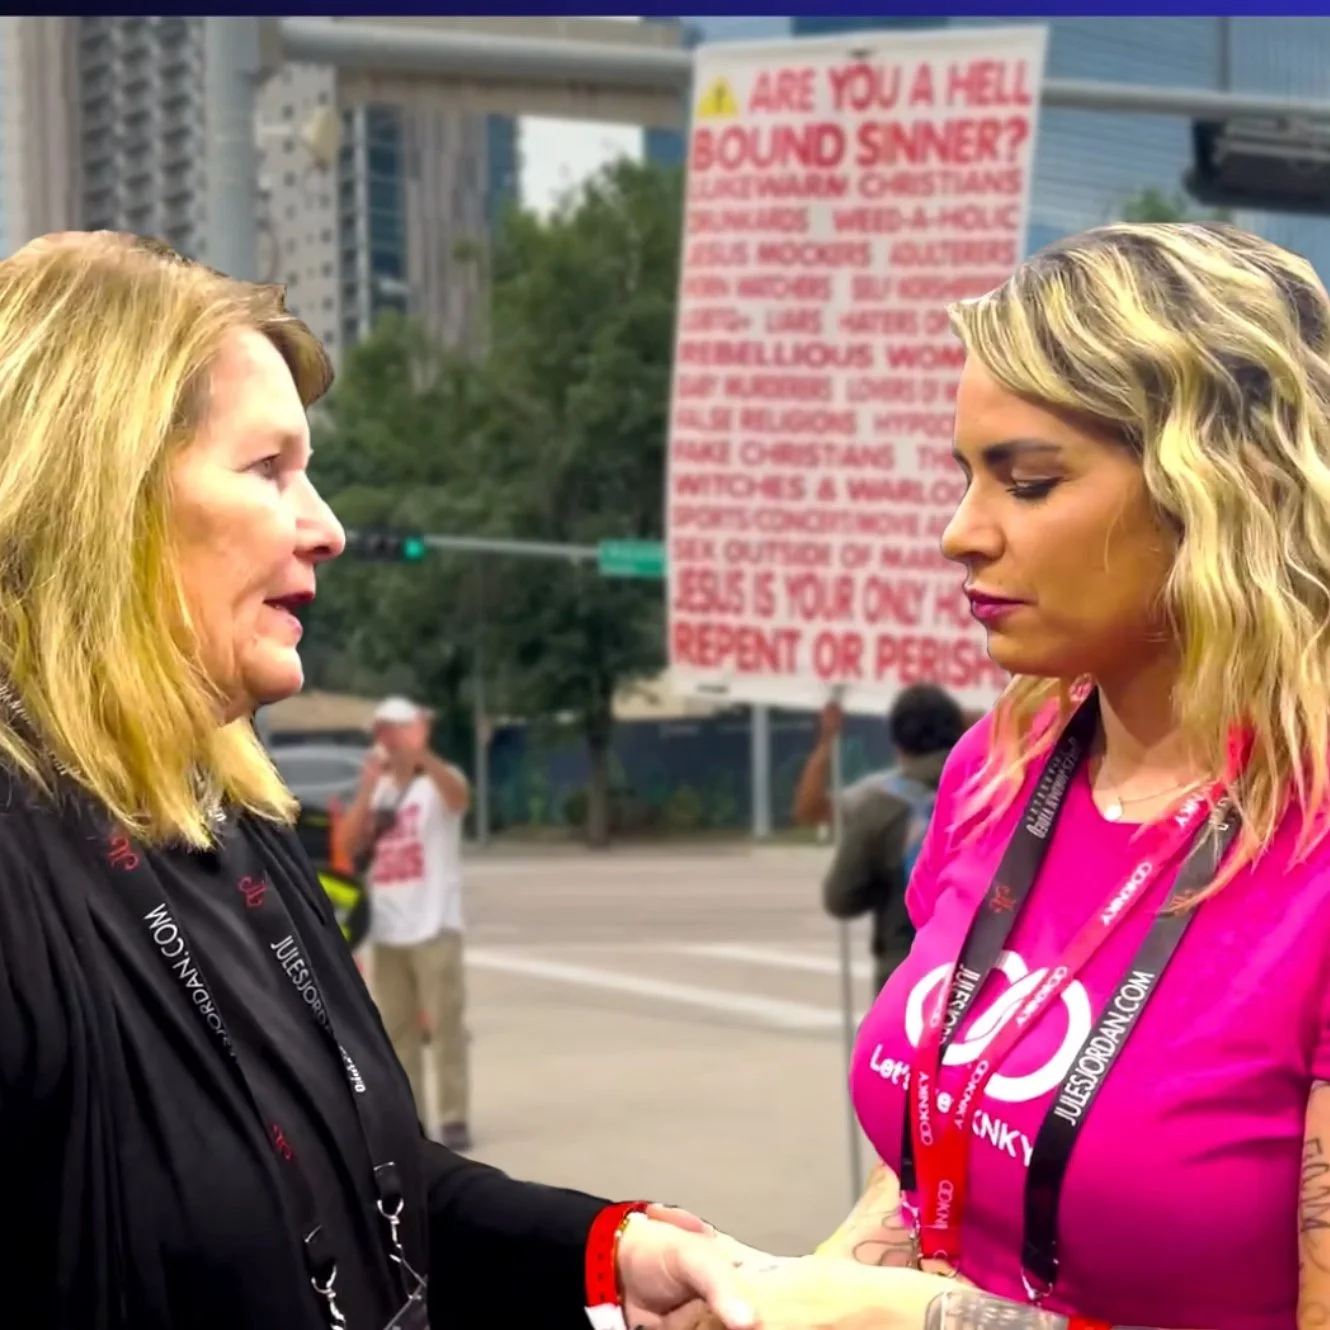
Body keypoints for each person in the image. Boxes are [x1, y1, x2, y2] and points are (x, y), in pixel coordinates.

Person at [0, 230, 760, 1330]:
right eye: (270, 470)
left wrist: (605, 1254)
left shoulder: (233, 819)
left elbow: (363, 1189)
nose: (329, 529)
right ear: (98, 494)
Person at [683, 220, 1330, 1330]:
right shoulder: (1001, 765)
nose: (957, 534)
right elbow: (934, 1171)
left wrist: (913, 1324)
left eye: (1027, 482)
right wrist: (773, 1300)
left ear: (1222, 488)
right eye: (965, 474)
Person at [342, 697, 473, 1150]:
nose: (388, 741)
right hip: (389, 928)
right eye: (382, 732)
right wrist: (366, 788)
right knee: (397, 1032)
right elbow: (348, 842)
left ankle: (454, 1117)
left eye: (396, 731)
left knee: (445, 1026)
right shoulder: (379, 790)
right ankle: (414, 1123)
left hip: (435, 922)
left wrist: (424, 757)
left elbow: (459, 800)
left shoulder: (439, 782)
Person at [792, 686, 967, 992]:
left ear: (897, 743)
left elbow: (841, 899)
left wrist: (826, 741)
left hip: (906, 976)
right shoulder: (997, 787)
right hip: (985, 974)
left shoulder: (877, 803)